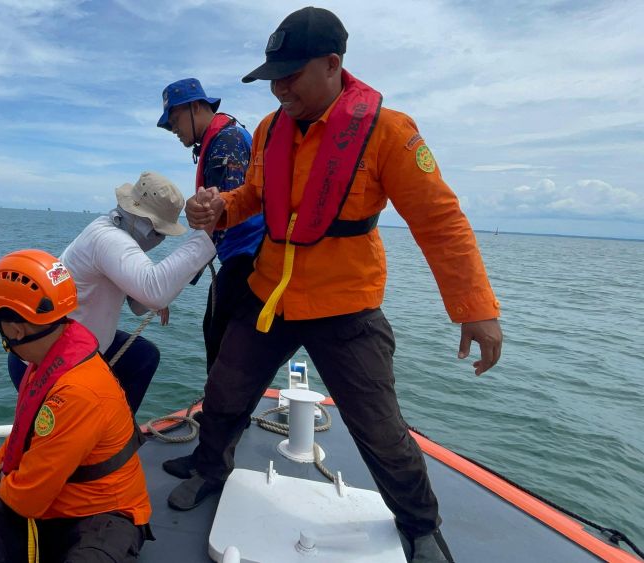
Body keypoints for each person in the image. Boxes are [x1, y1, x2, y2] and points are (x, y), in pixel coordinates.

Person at [172, 7, 504, 562]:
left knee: (379, 425)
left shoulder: (390, 132)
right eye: (273, 77)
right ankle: (209, 468)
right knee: (226, 388)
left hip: (345, 305)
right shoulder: (269, 129)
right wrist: (219, 206)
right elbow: (252, 196)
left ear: (332, 64)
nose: (280, 88)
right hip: (269, 293)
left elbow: (439, 221)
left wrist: (475, 307)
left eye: (291, 75)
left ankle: (420, 524)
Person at [0, 249, 152, 562]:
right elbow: (27, 433)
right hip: (41, 503)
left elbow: (27, 499)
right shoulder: (48, 360)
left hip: (101, 512)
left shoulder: (77, 390)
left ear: (15, 330)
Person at [7, 172, 216, 413]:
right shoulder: (109, 239)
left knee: (143, 356)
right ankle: (109, 429)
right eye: (159, 232)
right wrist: (205, 233)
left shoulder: (110, 230)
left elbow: (140, 303)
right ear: (144, 223)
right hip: (45, 363)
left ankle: (116, 426)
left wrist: (157, 297)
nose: (159, 239)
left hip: (76, 346)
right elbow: (154, 290)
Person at [157, 78, 266, 373]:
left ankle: (222, 402)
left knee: (220, 345)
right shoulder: (227, 136)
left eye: (174, 120)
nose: (174, 129)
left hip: (249, 260)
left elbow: (215, 222)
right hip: (247, 257)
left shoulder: (225, 145)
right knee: (220, 335)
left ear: (196, 107)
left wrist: (168, 286)